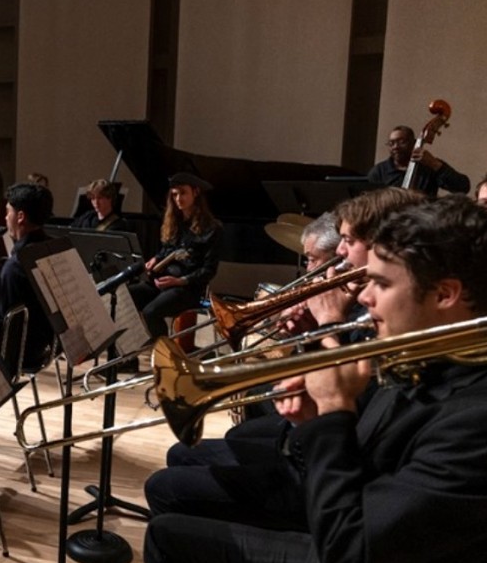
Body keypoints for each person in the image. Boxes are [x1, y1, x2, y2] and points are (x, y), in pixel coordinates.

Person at [143, 195, 487, 563]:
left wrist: (332, 415)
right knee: (170, 530)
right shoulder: (423, 353)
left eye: (382, 284)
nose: (365, 297)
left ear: (445, 294)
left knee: (169, 536)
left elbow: (348, 549)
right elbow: (357, 457)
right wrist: (312, 418)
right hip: (345, 541)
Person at [144, 188, 425, 524]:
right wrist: (306, 336)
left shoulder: (387, 314)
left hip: (328, 476)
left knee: (165, 489)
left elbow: (345, 401)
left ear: (383, 244)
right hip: (314, 446)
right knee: (187, 452)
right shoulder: (361, 298)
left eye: (348, 240)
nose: (339, 250)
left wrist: (329, 324)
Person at [127, 173, 221, 339]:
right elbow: (166, 251)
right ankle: (130, 354)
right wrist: (155, 259)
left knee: (151, 312)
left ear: (196, 192)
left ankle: (167, 353)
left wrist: (179, 281)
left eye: (183, 193)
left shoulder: (212, 228)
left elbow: (209, 270)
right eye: (175, 194)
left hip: (188, 288)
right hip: (163, 282)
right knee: (125, 298)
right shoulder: (174, 222)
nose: (178, 199)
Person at [1, 182, 57, 373]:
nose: (5, 217)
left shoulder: (15, 267)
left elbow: (7, 327)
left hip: (25, 355)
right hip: (52, 346)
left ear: (21, 217)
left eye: (8, 212)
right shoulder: (53, 249)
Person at [365, 124, 470, 196]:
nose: (395, 147)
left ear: (414, 143)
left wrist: (435, 164)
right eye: (391, 143)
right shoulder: (379, 171)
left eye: (401, 142)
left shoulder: (429, 165)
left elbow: (463, 187)